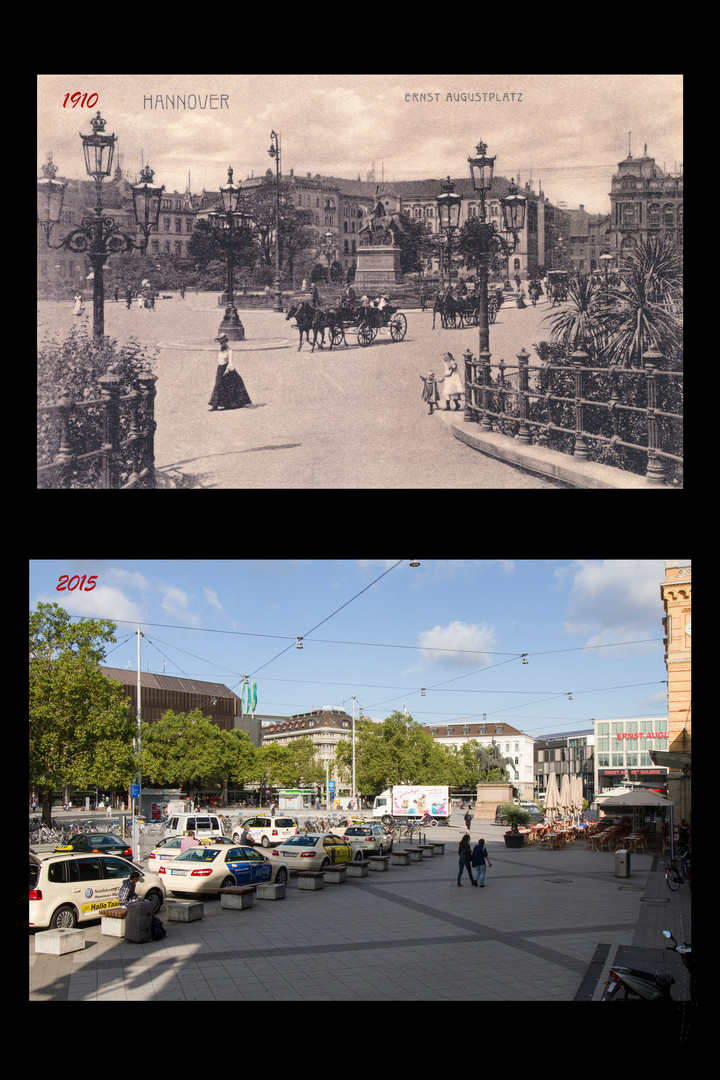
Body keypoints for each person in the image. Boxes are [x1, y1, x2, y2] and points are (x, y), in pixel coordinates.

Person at [209, 334, 252, 411]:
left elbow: (231, 362)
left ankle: (229, 404)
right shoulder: (220, 350)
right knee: (218, 385)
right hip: (220, 368)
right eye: (220, 343)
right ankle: (215, 405)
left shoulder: (230, 350)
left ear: (226, 342)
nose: (221, 344)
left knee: (229, 386)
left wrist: (226, 371)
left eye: (222, 342)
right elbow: (219, 360)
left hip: (227, 369)